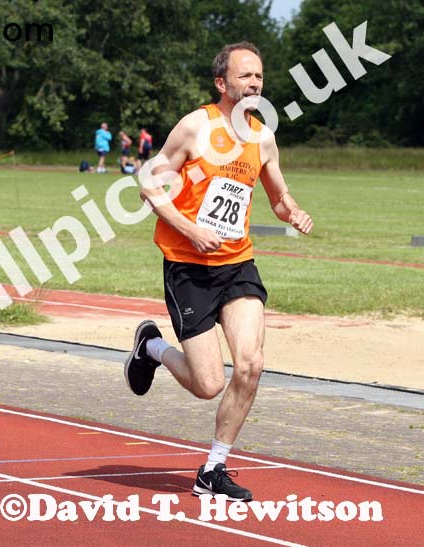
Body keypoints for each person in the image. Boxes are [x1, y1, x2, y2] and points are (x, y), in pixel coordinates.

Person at [124, 42, 313, 501]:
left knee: (250, 364)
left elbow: (278, 196)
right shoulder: (195, 127)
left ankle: (213, 469)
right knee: (208, 384)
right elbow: (149, 182)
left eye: (260, 78)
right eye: (245, 76)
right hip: (188, 267)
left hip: (237, 265)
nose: (254, 84)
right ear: (222, 83)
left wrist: (294, 213)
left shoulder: (262, 138)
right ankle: (151, 347)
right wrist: (190, 229)